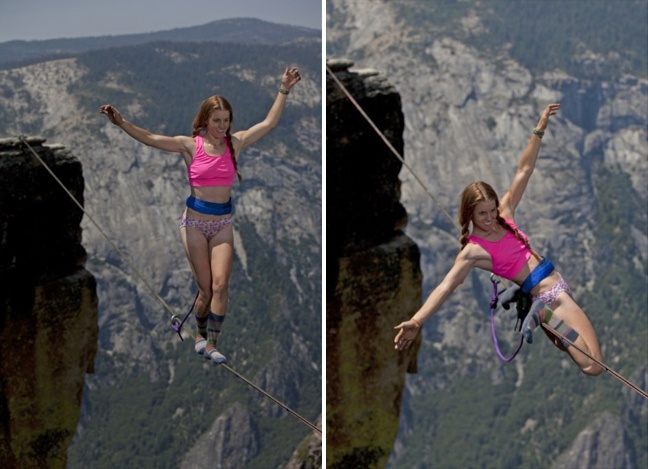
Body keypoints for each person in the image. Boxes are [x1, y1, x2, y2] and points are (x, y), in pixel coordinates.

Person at [99, 67, 302, 364]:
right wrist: (121, 123)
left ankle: (210, 344)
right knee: (205, 291)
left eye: (226, 120)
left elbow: (269, 123)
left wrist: (283, 89)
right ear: (205, 120)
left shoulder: (236, 143)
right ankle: (199, 332)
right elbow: (151, 138)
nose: (222, 126)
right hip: (194, 224)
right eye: (217, 121)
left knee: (221, 285)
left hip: (222, 225)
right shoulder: (189, 146)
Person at [394, 103, 605, 376]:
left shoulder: (505, 215)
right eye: (482, 214)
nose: (491, 217)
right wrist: (416, 321)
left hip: (554, 291)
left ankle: (542, 315)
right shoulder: (474, 251)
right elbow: (446, 287)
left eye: (492, 210)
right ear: (469, 213)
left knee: (592, 361)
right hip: (551, 298)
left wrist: (538, 130)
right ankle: (541, 315)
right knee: (592, 366)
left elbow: (524, 170)